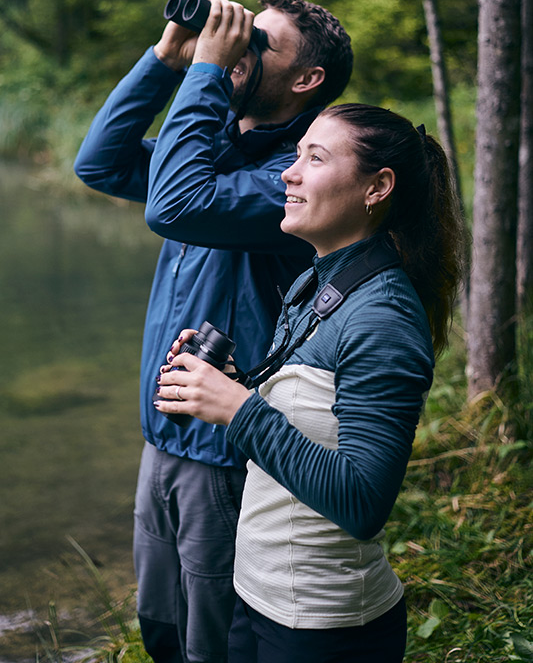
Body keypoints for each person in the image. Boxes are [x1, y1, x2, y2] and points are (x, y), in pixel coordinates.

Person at [74, 0, 353, 663]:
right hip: (164, 433)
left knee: (214, 635)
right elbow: (100, 164)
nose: (235, 47)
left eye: (259, 43)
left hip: (228, 450)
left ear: (305, 80)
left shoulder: (294, 180)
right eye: (239, 34)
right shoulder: (214, 146)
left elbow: (174, 206)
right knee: (160, 618)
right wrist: (167, 59)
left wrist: (204, 73)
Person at [154, 104, 467, 663]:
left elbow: (364, 501)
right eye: (296, 154)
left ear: (378, 187)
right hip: (258, 598)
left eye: (314, 158)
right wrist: (225, 387)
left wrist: (239, 409)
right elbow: (302, 426)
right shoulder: (317, 280)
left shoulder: (382, 317)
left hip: (323, 626)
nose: (288, 174)